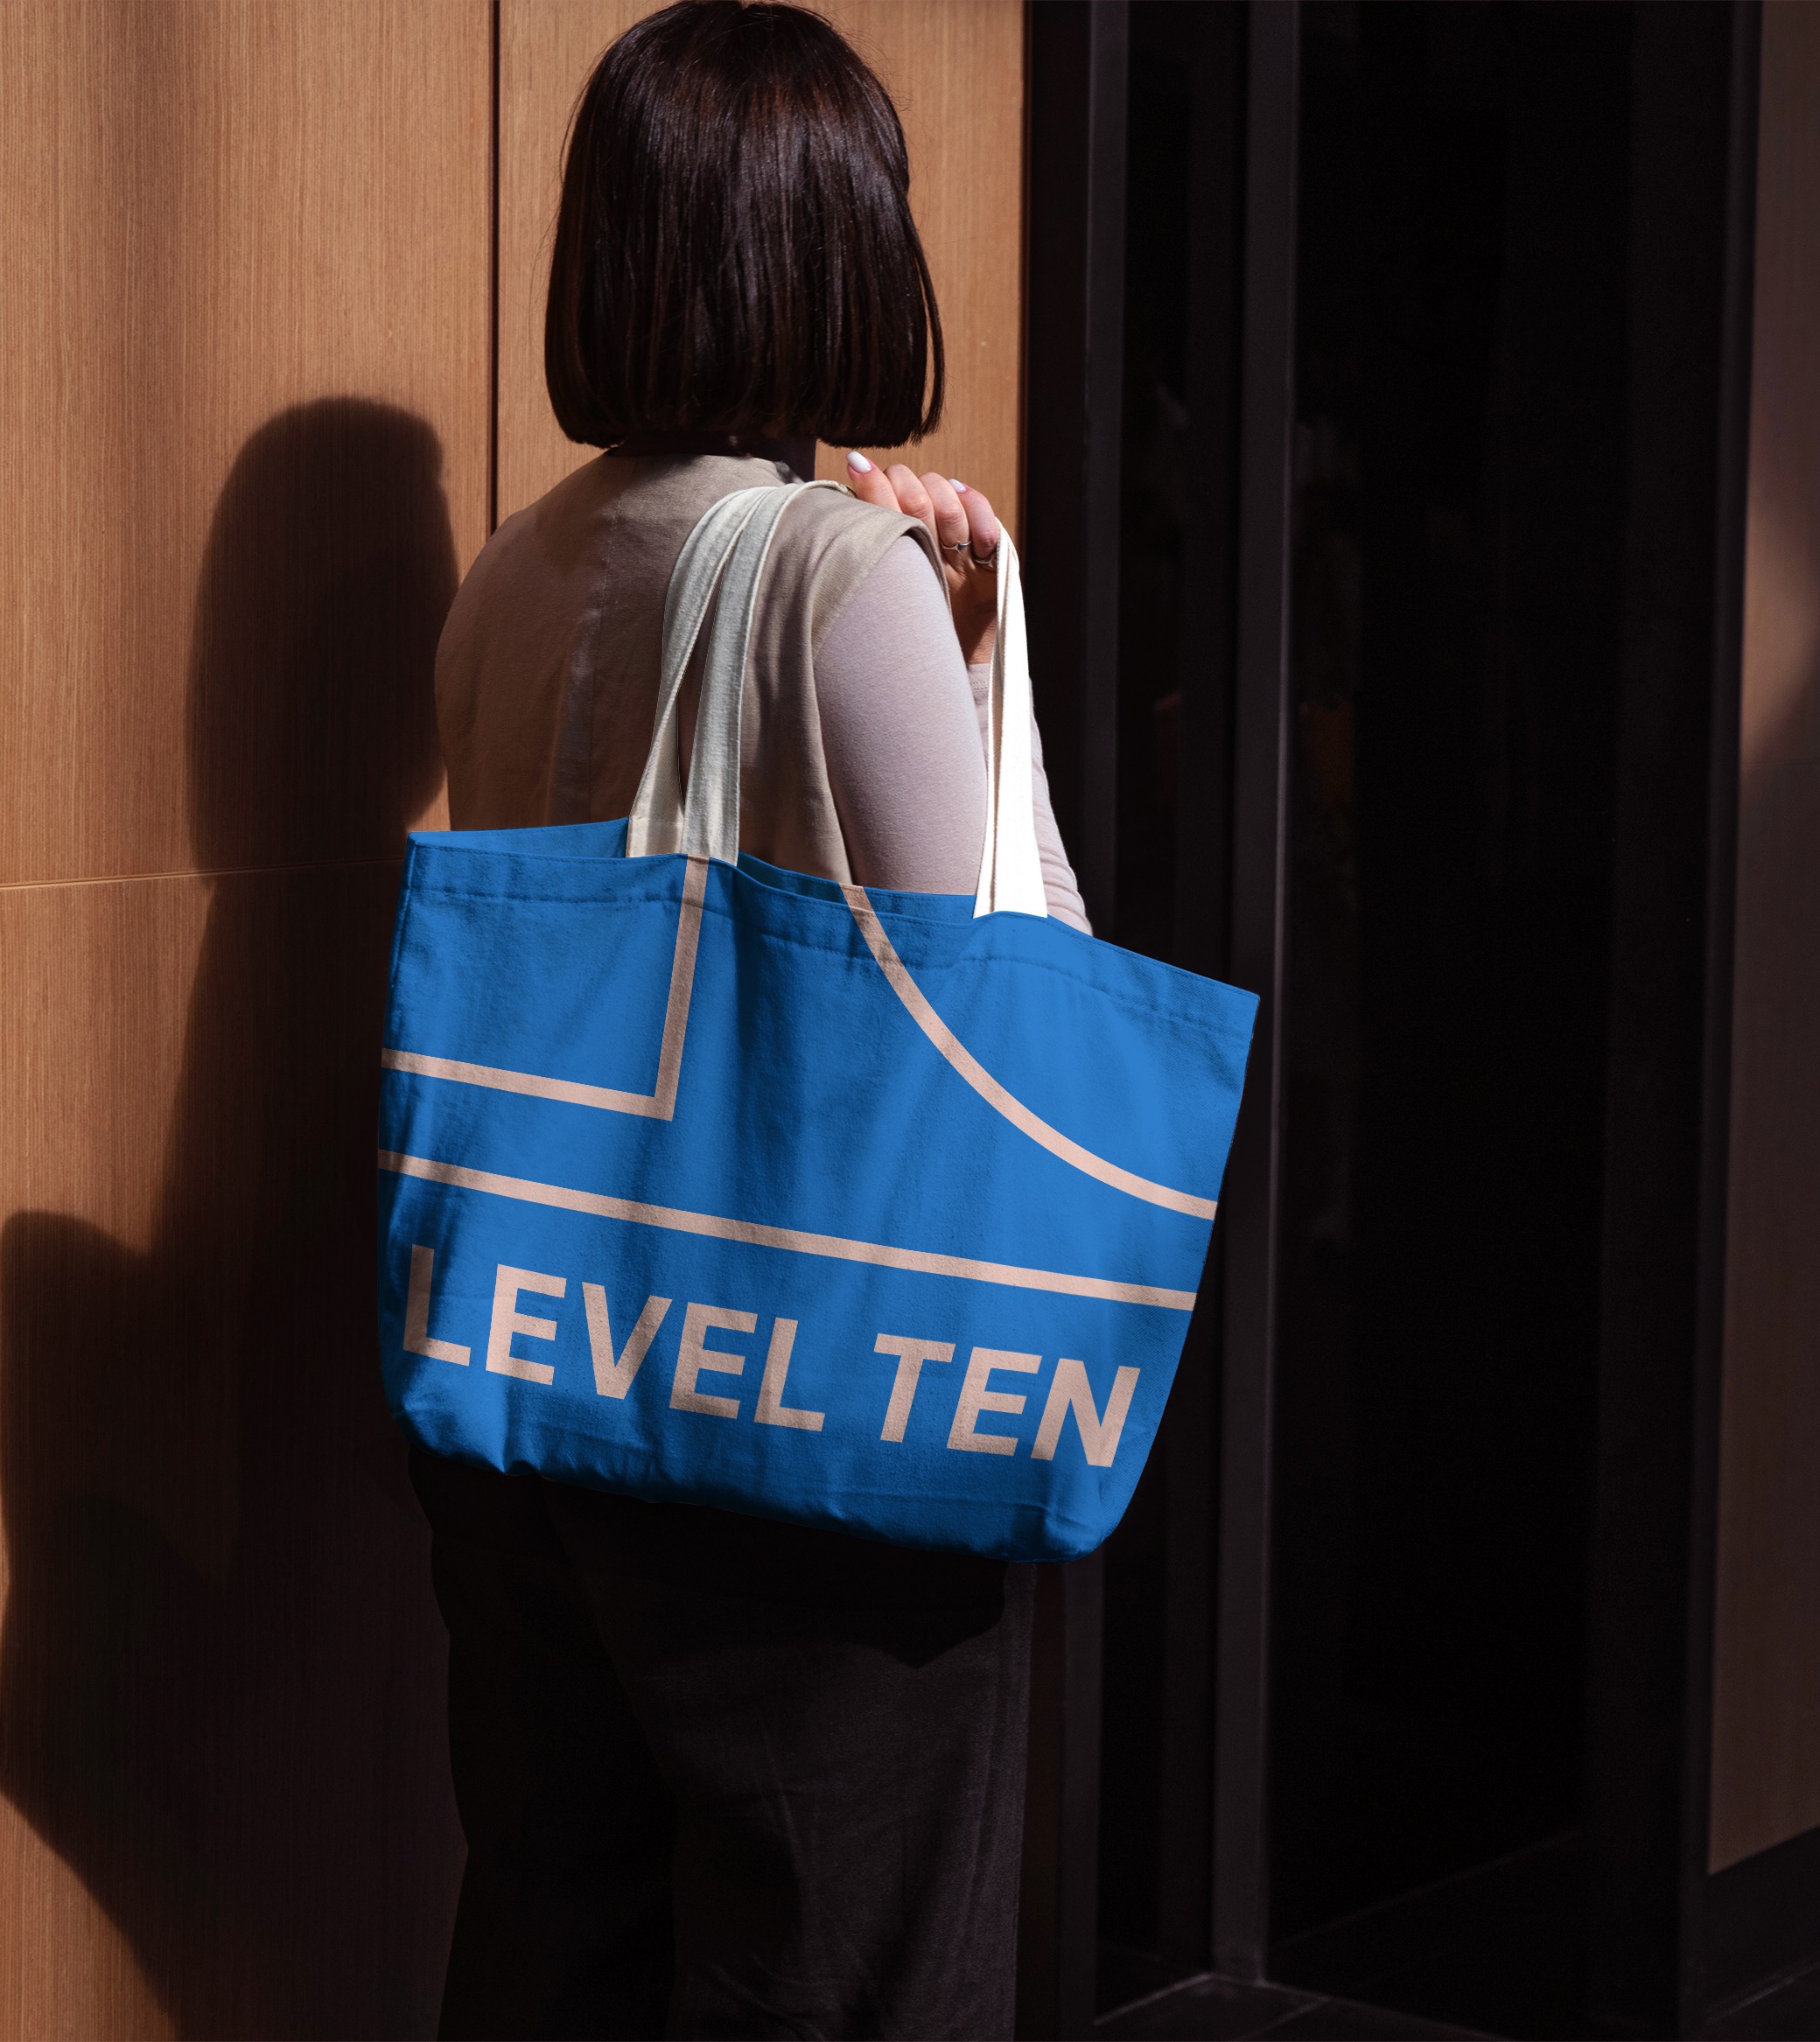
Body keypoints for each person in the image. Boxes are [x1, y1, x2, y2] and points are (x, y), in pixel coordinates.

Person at [412, 4, 1086, 2034]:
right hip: (793, 1403)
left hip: (539, 1381)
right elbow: (977, 999)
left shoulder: (506, 572)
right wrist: (977, 653)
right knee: (850, 1971)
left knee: (563, 1946)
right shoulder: (832, 573)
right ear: (828, 244)